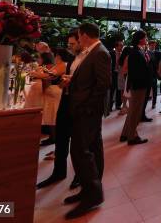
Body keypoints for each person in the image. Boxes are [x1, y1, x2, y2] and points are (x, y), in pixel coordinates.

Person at [63, 23, 111, 219]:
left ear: (84, 35)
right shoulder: (91, 51)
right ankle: (89, 188)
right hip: (84, 108)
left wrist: (88, 107)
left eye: (79, 36)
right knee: (91, 148)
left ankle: (93, 194)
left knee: (80, 150)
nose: (78, 39)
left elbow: (103, 84)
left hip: (87, 111)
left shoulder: (99, 52)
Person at [37, 31, 81, 190]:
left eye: (72, 44)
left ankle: (79, 176)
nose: (69, 47)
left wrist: (71, 82)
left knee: (78, 144)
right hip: (65, 101)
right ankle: (58, 172)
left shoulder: (87, 58)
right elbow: (61, 80)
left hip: (78, 105)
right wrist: (65, 81)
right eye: (68, 44)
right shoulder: (72, 61)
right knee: (61, 139)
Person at [120, 30, 153, 145]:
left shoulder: (138, 51)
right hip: (138, 85)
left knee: (133, 111)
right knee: (135, 112)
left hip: (138, 84)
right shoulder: (135, 52)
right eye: (145, 37)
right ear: (140, 39)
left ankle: (125, 133)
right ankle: (132, 136)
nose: (147, 39)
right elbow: (135, 71)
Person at [108, 38, 124, 113]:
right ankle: (109, 106)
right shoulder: (111, 53)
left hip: (120, 73)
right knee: (112, 90)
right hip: (113, 73)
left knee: (119, 89)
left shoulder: (123, 54)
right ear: (116, 46)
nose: (122, 47)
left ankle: (118, 105)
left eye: (122, 45)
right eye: (120, 45)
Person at [147, 40, 161, 111]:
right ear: (149, 45)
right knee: (148, 88)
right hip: (148, 74)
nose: (153, 46)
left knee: (155, 88)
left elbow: (160, 63)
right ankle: (146, 102)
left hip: (155, 73)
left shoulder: (158, 53)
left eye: (154, 45)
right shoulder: (146, 53)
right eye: (152, 45)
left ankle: (154, 103)